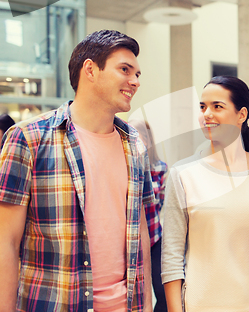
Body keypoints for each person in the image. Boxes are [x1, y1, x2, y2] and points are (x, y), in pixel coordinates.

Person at [0, 29, 153, 312]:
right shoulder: (28, 138)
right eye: (125, 70)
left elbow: (140, 231)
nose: (134, 81)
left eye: (138, 74)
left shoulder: (135, 144)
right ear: (90, 70)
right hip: (54, 303)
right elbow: (5, 242)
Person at [161, 75, 249, 312]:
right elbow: (172, 258)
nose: (206, 114)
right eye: (203, 106)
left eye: (217, 106)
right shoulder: (183, 174)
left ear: (242, 114)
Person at [129, 120, 169, 312]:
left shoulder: (160, 167)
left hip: (154, 239)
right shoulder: (124, 165)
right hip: (130, 244)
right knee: (136, 296)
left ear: (146, 139)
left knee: (164, 295)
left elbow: (160, 202)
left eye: (137, 136)